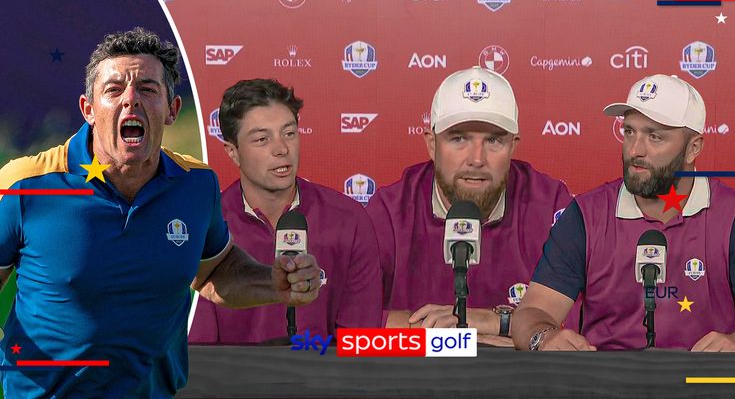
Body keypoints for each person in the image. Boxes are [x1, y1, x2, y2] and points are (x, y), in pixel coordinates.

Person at [0, 28, 320, 397]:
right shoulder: (25, 184)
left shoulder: (196, 184)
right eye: (114, 90)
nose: (130, 101)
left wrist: (273, 283)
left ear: (172, 110)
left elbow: (214, 271)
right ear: (89, 110)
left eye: (148, 89)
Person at [511, 74, 735, 351]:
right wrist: (543, 336)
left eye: (655, 137)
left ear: (693, 148)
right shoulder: (586, 215)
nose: (635, 150)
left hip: (703, 375)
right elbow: (533, 312)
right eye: (629, 132)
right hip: (605, 376)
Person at [366, 66, 573, 343]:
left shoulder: (550, 206)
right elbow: (350, 324)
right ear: (432, 144)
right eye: (459, 138)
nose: (477, 159)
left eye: (493, 140)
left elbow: (577, 326)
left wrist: (491, 321)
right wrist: (457, 343)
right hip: (420, 370)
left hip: (519, 372)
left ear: (513, 146)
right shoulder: (390, 211)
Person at [188, 79, 382, 344]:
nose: (281, 149)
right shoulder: (206, 227)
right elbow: (200, 352)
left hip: (326, 371)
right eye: (262, 139)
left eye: (289, 133)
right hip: (231, 372)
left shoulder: (349, 220)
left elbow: (360, 342)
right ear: (233, 152)